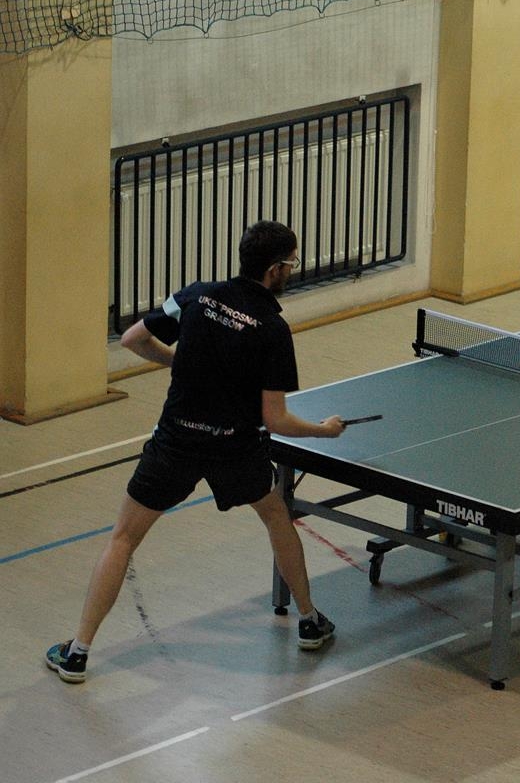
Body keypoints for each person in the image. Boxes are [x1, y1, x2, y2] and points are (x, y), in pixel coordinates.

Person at [46, 220, 346, 684]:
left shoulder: (197, 295)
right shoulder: (272, 329)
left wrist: (182, 360)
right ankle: (308, 620)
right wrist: (324, 431)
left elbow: (133, 339)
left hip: (175, 444)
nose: (291, 270)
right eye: (291, 263)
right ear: (274, 269)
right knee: (276, 517)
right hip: (235, 449)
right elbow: (276, 420)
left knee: (122, 539)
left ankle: (77, 652)